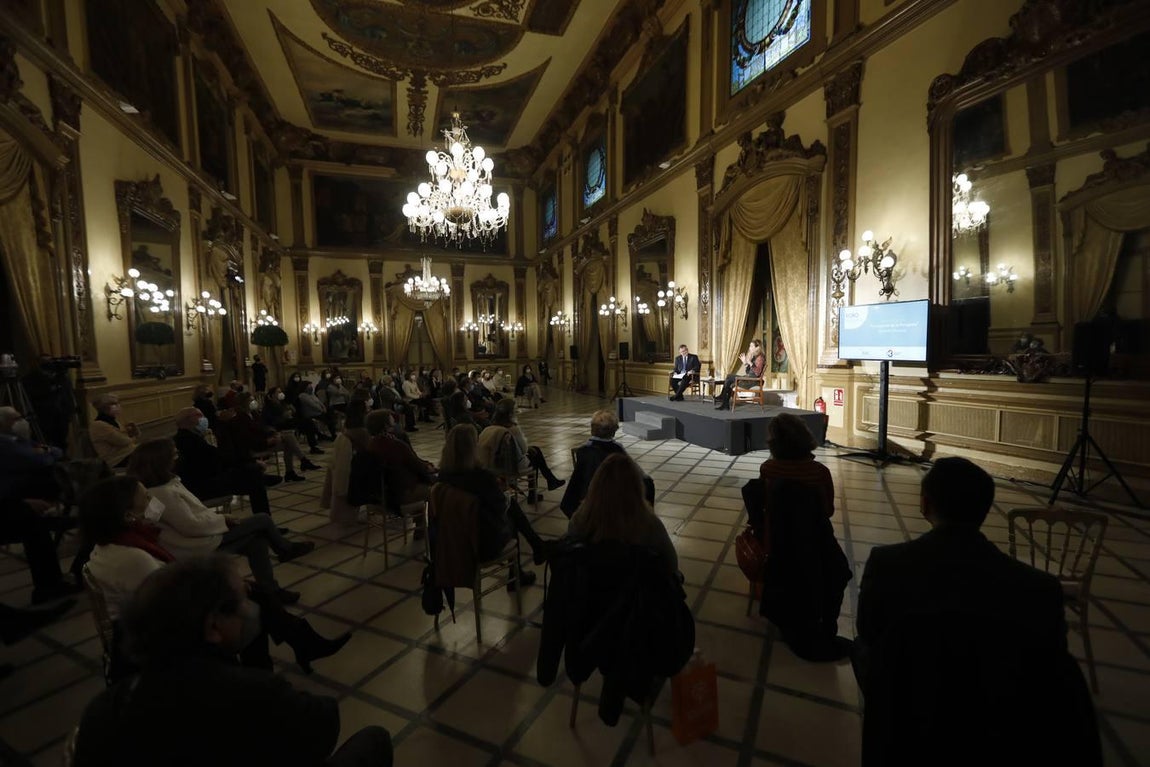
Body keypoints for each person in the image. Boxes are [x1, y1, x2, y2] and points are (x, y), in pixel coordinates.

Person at [854, 457, 1101, 765]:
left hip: (909, 729)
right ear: (985, 509)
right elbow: (1052, 682)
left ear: (925, 503)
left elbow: (870, 640)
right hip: (1002, 733)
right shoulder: (1040, 590)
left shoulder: (887, 566)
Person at [72, 555, 389, 767]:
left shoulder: (105, 707)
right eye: (242, 599)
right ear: (213, 626)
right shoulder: (252, 693)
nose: (251, 607)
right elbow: (323, 726)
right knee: (375, 739)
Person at [77, 478, 350, 677]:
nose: (153, 504)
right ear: (128, 515)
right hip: (156, 633)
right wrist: (226, 591)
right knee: (253, 612)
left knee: (256, 595)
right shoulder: (131, 557)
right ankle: (267, 671)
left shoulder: (120, 543)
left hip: (155, 615)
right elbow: (175, 601)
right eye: (145, 500)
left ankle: (295, 650)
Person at [127, 438, 313, 600]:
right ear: (162, 461)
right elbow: (191, 526)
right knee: (262, 519)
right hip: (193, 545)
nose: (177, 457)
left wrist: (220, 518)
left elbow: (181, 518)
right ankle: (285, 549)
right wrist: (224, 521)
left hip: (198, 537)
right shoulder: (162, 493)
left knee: (257, 542)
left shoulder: (161, 487)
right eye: (174, 455)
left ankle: (271, 590)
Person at [437, 424, 549, 584]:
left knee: (509, 508)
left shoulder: (443, 476)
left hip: (452, 539)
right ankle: (519, 570)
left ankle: (536, 546)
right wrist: (502, 491)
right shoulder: (480, 477)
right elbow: (499, 507)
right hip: (481, 543)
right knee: (511, 514)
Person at [0, 407, 81, 604]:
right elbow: (36, 458)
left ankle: (51, 583)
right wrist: (44, 453)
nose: (22, 421)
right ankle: (48, 587)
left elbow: (54, 450)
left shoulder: (17, 440)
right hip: (10, 501)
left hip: (19, 497)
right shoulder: (4, 444)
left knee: (36, 525)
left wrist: (45, 452)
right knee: (35, 528)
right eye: (16, 418)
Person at [569, 453, 677, 575]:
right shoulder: (650, 524)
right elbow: (672, 564)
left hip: (590, 589)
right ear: (637, 487)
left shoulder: (580, 520)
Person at [744, 413, 835, 541]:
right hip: (815, 538)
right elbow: (828, 511)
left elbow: (766, 504)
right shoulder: (820, 472)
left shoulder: (768, 469)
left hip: (778, 537)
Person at [172, 408, 273, 517]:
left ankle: (260, 478)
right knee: (254, 478)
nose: (203, 419)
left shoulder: (185, 437)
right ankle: (264, 521)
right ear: (188, 420)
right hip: (202, 485)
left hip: (203, 479)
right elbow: (218, 458)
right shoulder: (188, 440)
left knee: (251, 472)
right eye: (199, 415)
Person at [561, 410, 655, 518]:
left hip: (587, 502)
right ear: (613, 431)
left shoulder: (583, 452)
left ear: (592, 430)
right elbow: (638, 473)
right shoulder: (617, 450)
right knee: (648, 483)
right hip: (614, 501)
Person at [477, 398, 565, 498]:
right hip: (508, 465)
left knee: (535, 450)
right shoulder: (512, 429)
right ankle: (538, 490)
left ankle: (550, 480)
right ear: (510, 413)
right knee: (535, 456)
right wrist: (528, 448)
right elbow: (524, 450)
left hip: (491, 464)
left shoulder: (489, 427)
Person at [230, 392, 316, 482]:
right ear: (244, 403)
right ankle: (301, 462)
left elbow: (262, 427)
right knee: (289, 439)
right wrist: (267, 441)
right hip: (255, 446)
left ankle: (293, 469)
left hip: (263, 440)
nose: (254, 402)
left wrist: (273, 434)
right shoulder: (240, 418)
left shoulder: (254, 414)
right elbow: (246, 438)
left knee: (288, 441)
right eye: (251, 400)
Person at [365, 410, 436, 507]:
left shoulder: (370, 445)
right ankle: (428, 521)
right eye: (391, 418)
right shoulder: (396, 445)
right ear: (386, 425)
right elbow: (416, 465)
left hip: (380, 494)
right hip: (401, 492)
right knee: (438, 490)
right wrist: (429, 467)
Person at [89, 393, 140, 467]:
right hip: (116, 459)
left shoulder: (114, 421)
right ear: (104, 407)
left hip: (127, 453)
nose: (118, 406)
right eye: (114, 404)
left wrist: (134, 431)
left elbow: (132, 438)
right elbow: (123, 441)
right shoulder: (99, 425)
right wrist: (131, 437)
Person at [714, 339, 766, 410]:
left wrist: (750, 362)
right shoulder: (755, 357)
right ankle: (724, 401)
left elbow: (757, 372)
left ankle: (724, 401)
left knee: (729, 379)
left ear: (757, 347)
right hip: (749, 379)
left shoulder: (760, 358)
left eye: (751, 346)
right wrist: (745, 363)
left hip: (753, 381)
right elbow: (749, 372)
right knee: (729, 377)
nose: (749, 348)